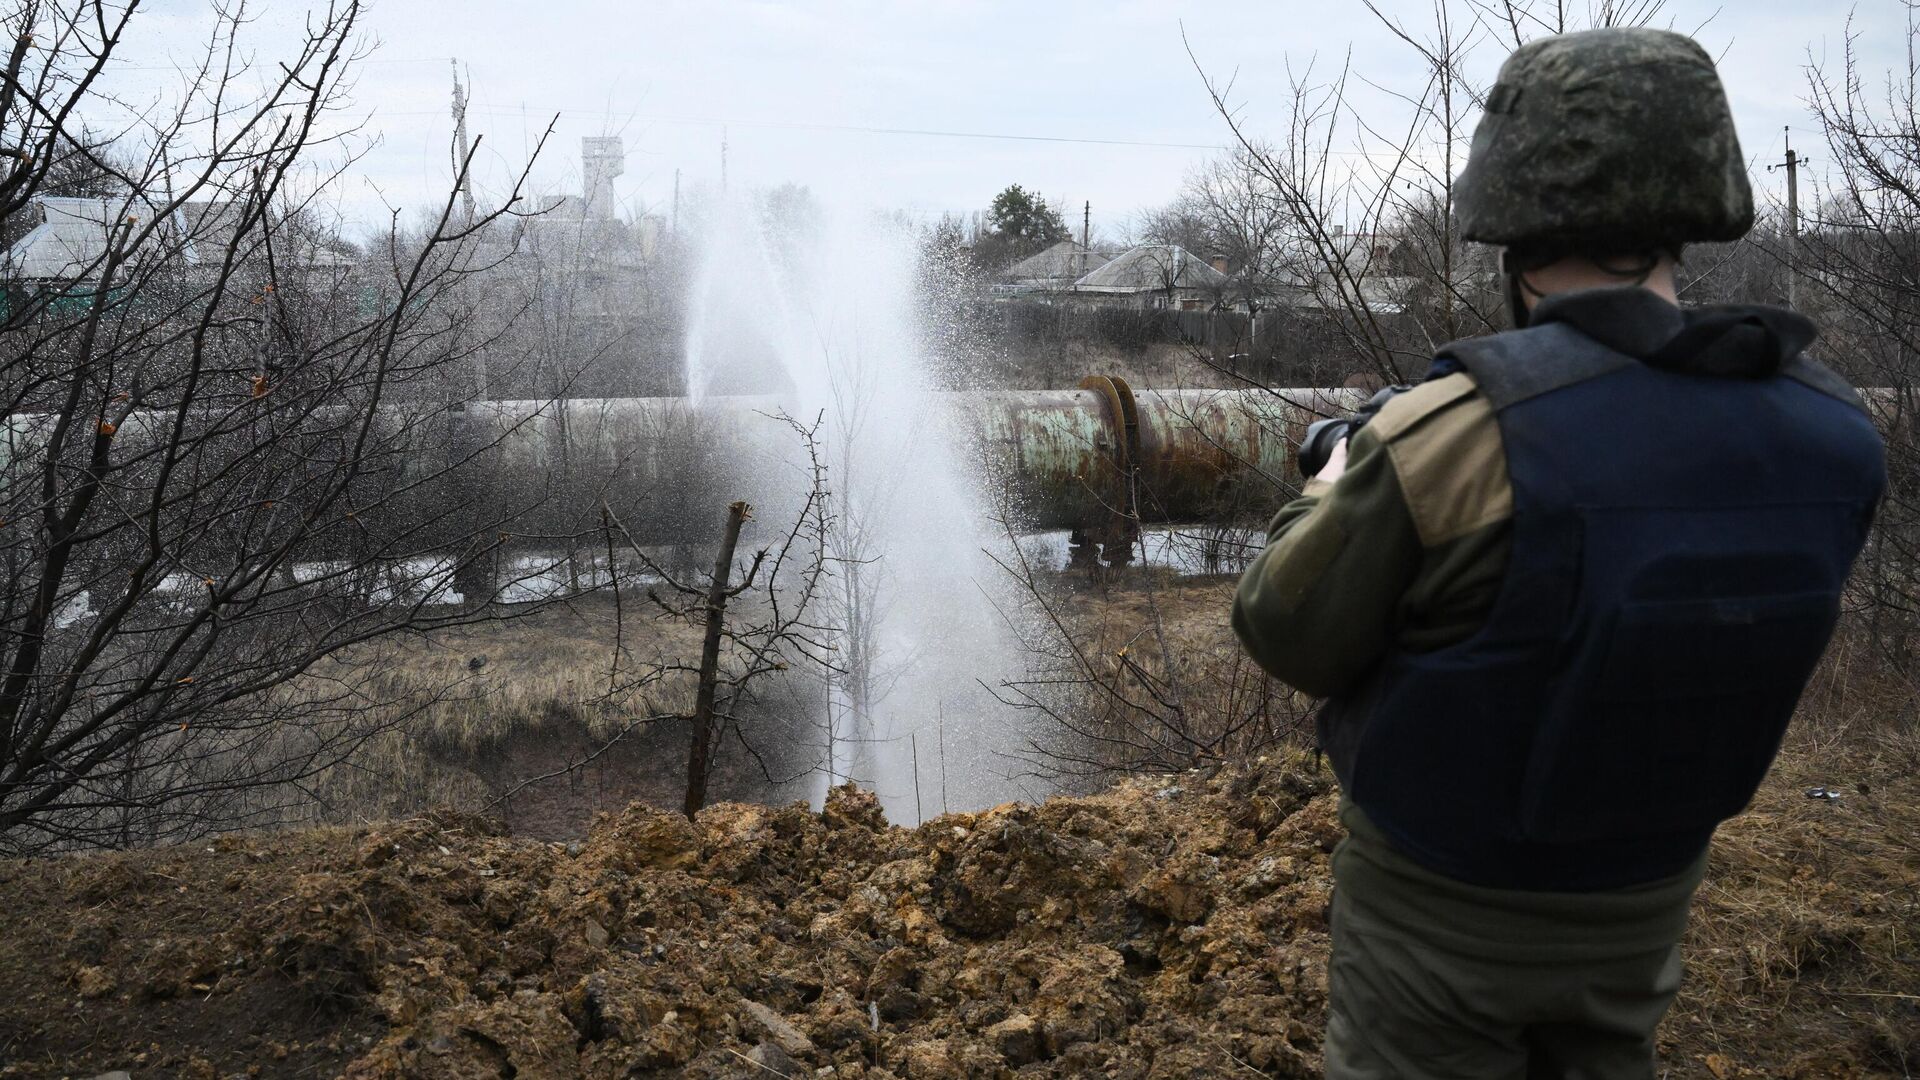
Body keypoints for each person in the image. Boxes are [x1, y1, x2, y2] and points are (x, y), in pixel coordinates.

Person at [1232, 27, 1887, 1080]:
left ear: (1513, 218)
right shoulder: (1835, 431)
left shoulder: (1453, 435)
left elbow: (1286, 628)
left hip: (1438, 918)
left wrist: (1325, 488)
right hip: (1646, 904)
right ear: (1693, 202)